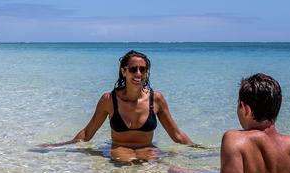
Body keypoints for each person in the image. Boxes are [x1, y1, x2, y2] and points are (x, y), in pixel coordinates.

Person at [42, 50, 196, 164]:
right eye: (133, 69)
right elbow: (88, 133)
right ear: (124, 71)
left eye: (143, 69)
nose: (138, 73)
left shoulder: (156, 99)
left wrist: (200, 150)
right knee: (125, 162)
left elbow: (176, 134)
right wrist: (58, 146)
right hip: (120, 148)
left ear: (147, 73)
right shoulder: (108, 99)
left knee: (151, 167)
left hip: (148, 148)